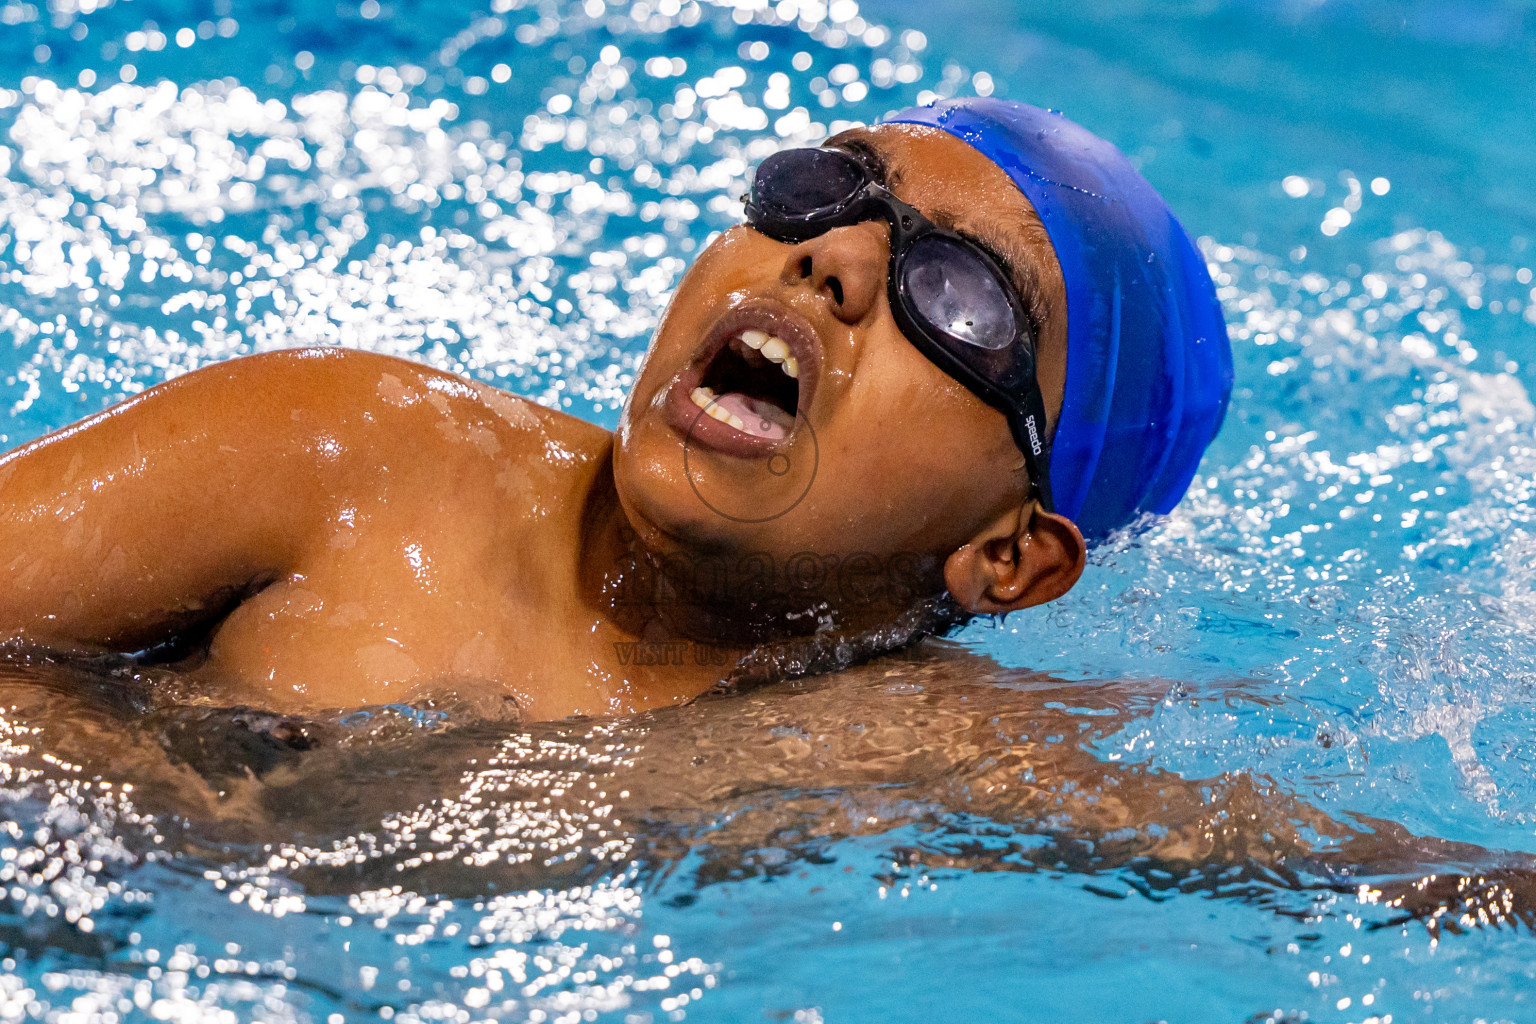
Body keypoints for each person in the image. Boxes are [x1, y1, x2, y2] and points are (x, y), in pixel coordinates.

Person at [0, 98, 1232, 720]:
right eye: (824, 184)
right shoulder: (341, 453)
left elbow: (1325, 865)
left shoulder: (902, 743)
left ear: (1010, 556)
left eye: (956, 294)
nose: (834, 257)